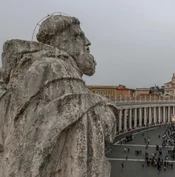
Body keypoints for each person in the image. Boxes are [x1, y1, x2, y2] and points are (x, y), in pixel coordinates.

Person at [0, 15, 117, 177]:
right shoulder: (53, 69)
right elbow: (91, 119)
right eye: (78, 36)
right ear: (63, 42)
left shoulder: (57, 71)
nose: (87, 41)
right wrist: (104, 106)